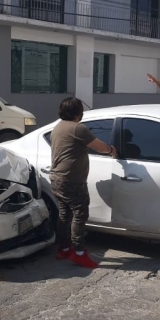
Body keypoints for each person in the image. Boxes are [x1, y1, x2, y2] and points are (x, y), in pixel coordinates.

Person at [50, 97, 118, 268]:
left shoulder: (57, 127)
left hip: (57, 178)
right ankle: (79, 252)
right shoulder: (78, 128)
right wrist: (111, 150)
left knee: (65, 215)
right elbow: (100, 147)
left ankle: (63, 249)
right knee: (80, 215)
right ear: (78, 112)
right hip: (71, 180)